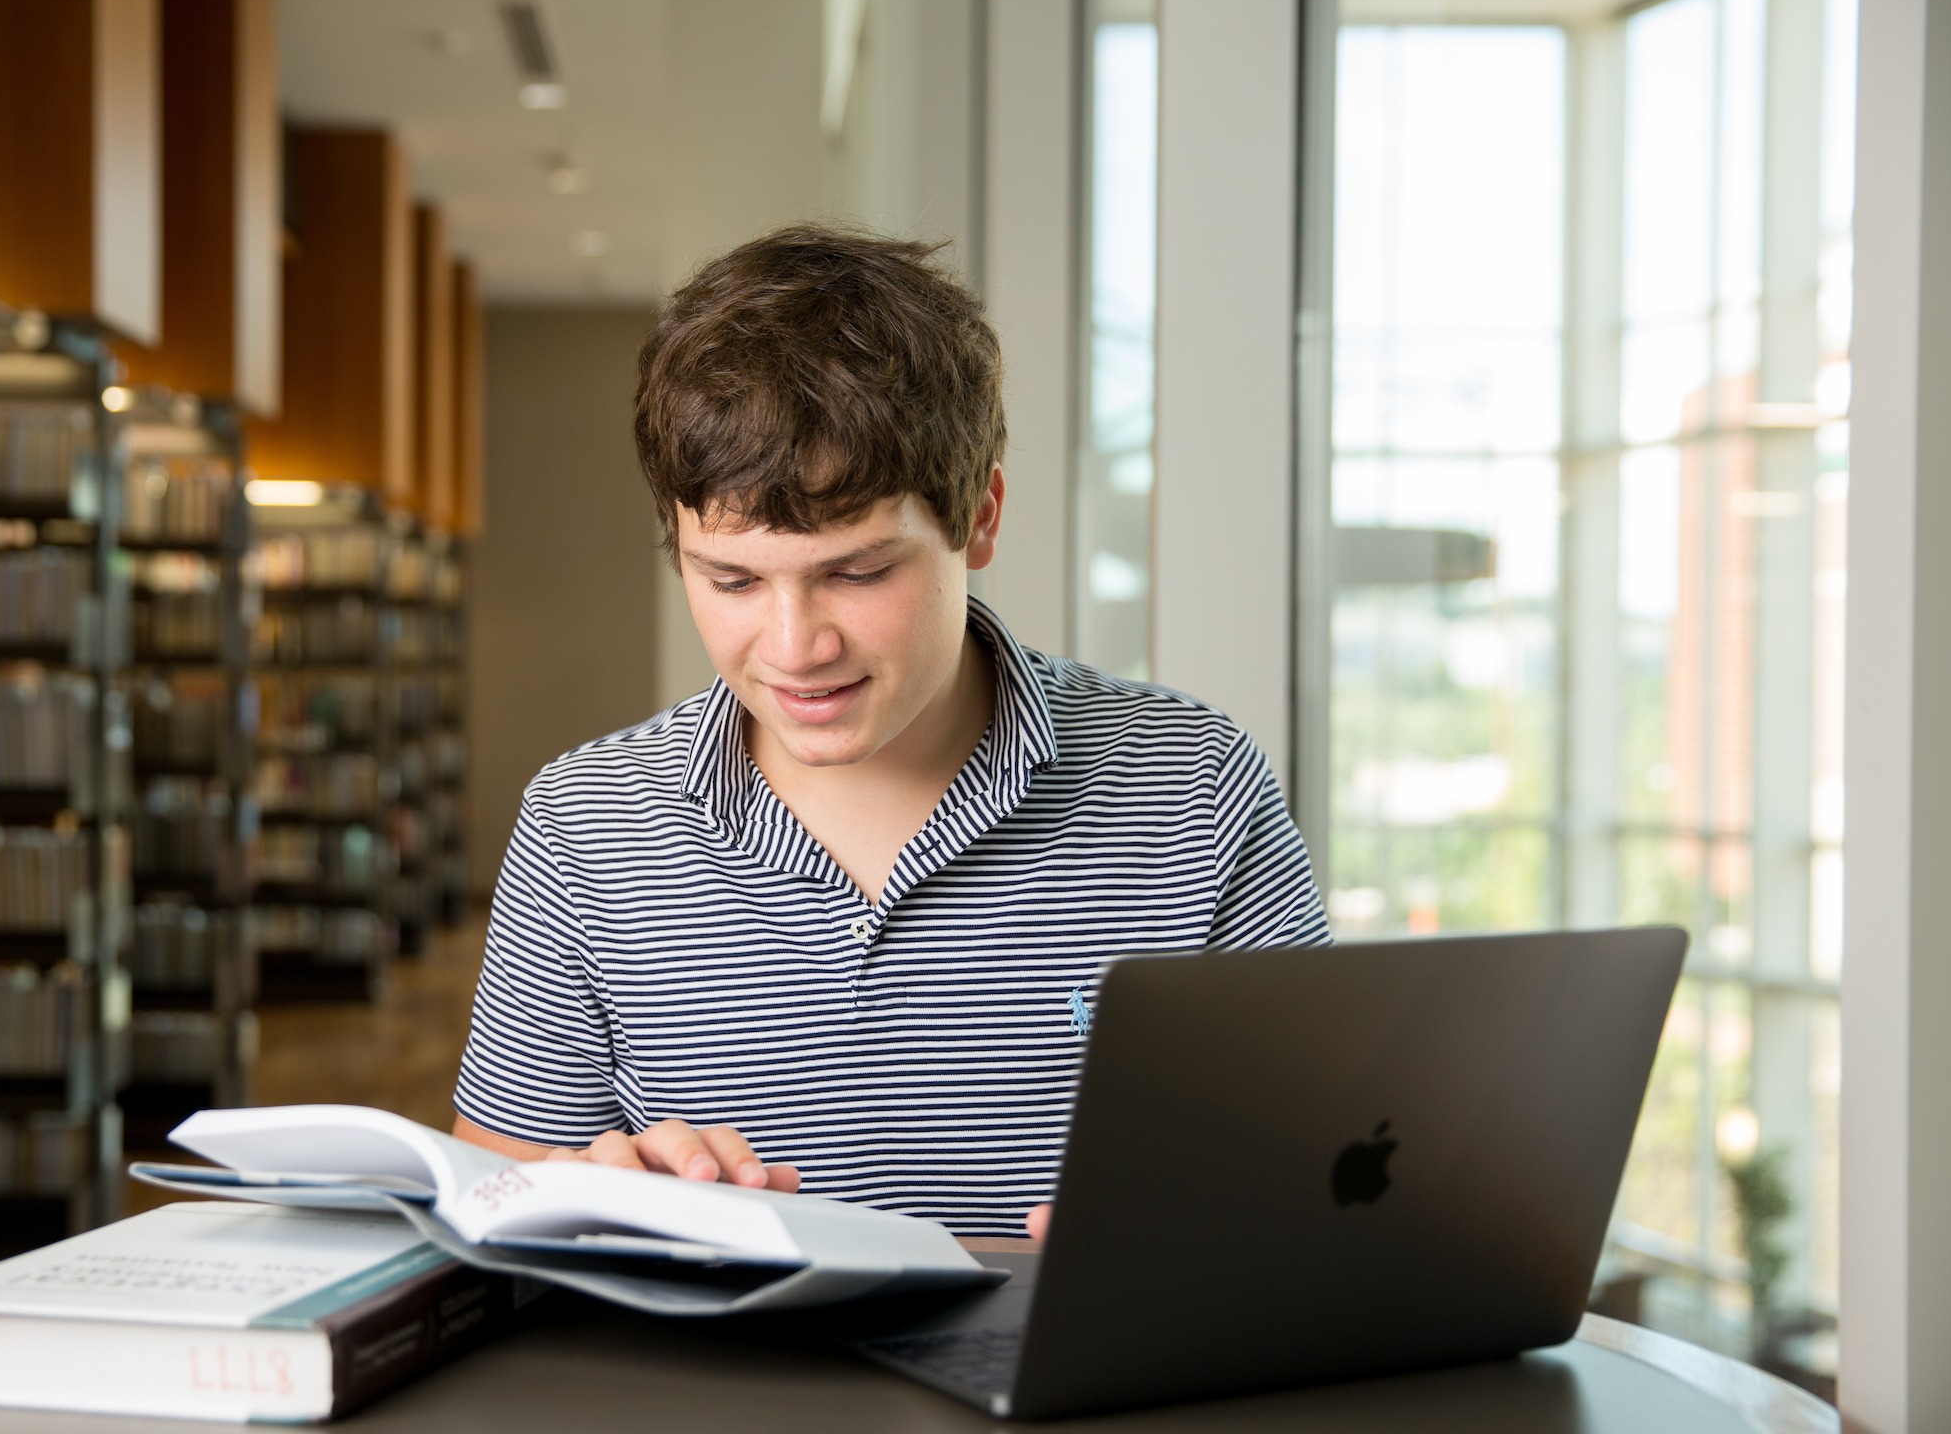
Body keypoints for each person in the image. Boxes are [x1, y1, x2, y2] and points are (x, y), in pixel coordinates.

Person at [452, 224, 1330, 1239]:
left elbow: (1326, 1177)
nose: (793, 646)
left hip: (1089, 1392)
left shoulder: (1195, 787)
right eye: (731, 579)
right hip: (729, 1396)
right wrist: (589, 1191)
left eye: (859, 571)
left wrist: (1223, 1220)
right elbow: (491, 1207)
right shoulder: (584, 823)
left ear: (982, 514)